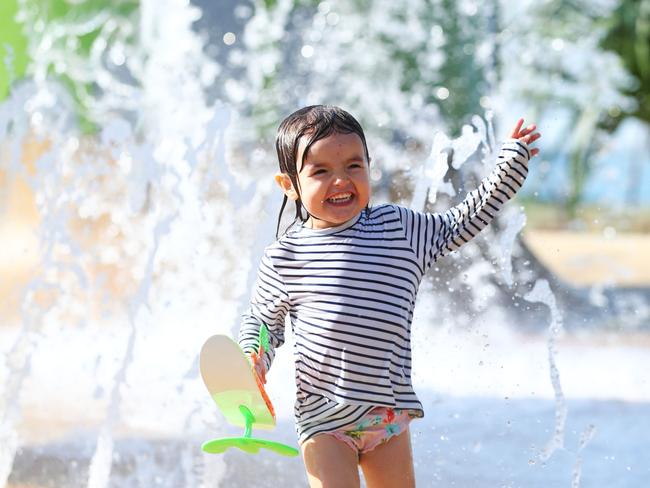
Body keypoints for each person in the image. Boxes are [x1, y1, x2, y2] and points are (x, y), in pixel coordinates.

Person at [238, 105, 540, 487]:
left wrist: (509, 167)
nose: (340, 181)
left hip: (387, 414)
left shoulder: (399, 229)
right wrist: (253, 355)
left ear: (369, 164)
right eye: (321, 171)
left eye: (353, 166)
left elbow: (464, 220)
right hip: (323, 418)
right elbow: (264, 321)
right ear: (290, 185)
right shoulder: (286, 257)